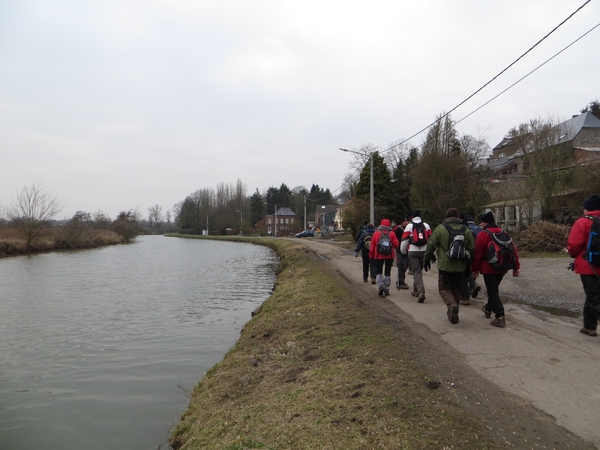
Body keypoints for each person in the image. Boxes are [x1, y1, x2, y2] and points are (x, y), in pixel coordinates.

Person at [423, 208, 474, 324]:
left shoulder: (441, 229)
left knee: (444, 288)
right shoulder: (466, 230)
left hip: (445, 266)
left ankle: (451, 306)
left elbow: (431, 245)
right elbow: (471, 249)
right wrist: (469, 265)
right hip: (460, 266)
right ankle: (453, 311)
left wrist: (426, 259)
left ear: (447, 217)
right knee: (456, 288)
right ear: (458, 217)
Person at [471, 211, 520, 328]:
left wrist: (474, 269)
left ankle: (500, 316)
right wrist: (516, 267)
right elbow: (514, 251)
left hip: (488, 268)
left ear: (485, 222)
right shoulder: (504, 232)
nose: (480, 224)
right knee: (493, 290)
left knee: (492, 291)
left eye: (481, 222)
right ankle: (488, 308)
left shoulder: (483, 234)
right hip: (503, 267)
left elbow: (478, 254)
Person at [567, 194, 600, 337]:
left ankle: (590, 326)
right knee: (592, 296)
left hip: (589, 265)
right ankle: (589, 326)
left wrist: (574, 255)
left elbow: (574, 244)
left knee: (593, 297)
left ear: (587, 209)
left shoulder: (583, 222)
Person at [401, 209, 432, 303]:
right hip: (424, 250)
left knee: (416, 271)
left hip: (412, 250)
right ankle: (415, 290)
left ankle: (420, 291)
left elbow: (404, 240)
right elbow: (431, 239)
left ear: (412, 216)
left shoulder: (409, 226)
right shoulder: (426, 225)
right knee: (419, 270)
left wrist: (403, 251)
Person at [369, 218, 400, 296]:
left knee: (378, 271)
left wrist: (371, 255)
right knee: (387, 272)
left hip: (378, 255)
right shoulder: (392, 233)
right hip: (389, 256)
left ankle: (380, 285)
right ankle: (386, 288)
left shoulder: (376, 233)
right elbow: (396, 245)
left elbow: (372, 245)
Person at [459, 214, 482, 304]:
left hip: (466, 252)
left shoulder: (464, 228)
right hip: (476, 252)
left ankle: (471, 287)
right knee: (472, 269)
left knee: (465, 271)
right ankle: (472, 286)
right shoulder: (479, 229)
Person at [393, 216, 410, 290]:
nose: (406, 222)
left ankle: (401, 280)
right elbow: (394, 239)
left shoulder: (410, 228)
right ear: (402, 222)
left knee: (406, 265)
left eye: (407, 221)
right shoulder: (398, 229)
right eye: (404, 221)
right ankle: (400, 282)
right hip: (399, 250)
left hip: (408, 250)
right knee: (401, 265)